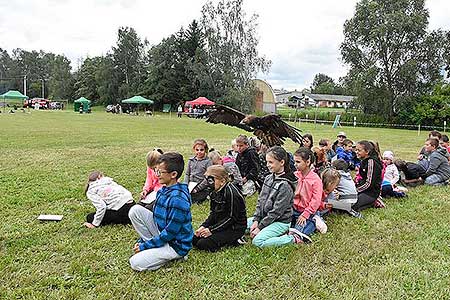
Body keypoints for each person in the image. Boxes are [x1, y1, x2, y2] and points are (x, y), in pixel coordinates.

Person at [129, 152, 193, 271]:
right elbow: (156, 219)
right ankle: (156, 248)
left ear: (173, 174)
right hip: (163, 233)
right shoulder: (163, 190)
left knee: (135, 262)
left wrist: (144, 246)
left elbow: (170, 232)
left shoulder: (178, 200)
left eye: (159, 172)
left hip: (176, 245)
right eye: (155, 171)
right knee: (135, 210)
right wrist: (143, 241)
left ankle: (177, 256)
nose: (156, 175)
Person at [248, 146, 298, 247]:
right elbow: (261, 200)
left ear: (282, 162)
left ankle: (292, 238)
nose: (267, 165)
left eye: (271, 162)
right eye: (267, 162)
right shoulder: (268, 178)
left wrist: (260, 227)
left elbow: (277, 212)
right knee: (239, 225)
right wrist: (256, 220)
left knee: (257, 241)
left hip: (280, 221)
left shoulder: (285, 185)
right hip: (264, 218)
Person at [193, 165, 247, 252]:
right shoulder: (214, 191)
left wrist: (211, 230)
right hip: (220, 224)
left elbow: (231, 218)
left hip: (234, 228)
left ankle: (236, 240)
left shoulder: (231, 193)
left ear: (222, 181)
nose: (208, 183)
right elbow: (213, 213)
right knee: (194, 239)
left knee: (203, 244)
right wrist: (203, 226)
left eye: (211, 180)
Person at [289, 147, 323, 242]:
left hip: (307, 212)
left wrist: (305, 214)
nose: (295, 164)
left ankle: (315, 220)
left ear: (307, 162)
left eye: (298, 162)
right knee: (283, 225)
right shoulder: (295, 175)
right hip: (293, 209)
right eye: (295, 161)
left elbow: (316, 200)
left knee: (299, 231)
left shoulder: (315, 180)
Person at [353, 141, 383, 211]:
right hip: (363, 188)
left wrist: (356, 191)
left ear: (367, 152)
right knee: (347, 201)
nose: (356, 152)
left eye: (359, 150)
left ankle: (374, 202)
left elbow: (369, 184)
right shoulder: (364, 160)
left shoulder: (371, 162)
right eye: (356, 150)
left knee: (352, 205)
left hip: (371, 192)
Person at [184, 139, 213, 203]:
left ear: (205, 150)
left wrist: (197, 189)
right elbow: (187, 174)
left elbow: (208, 178)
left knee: (195, 199)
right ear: (194, 150)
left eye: (201, 150)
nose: (199, 152)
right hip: (190, 185)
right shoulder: (191, 160)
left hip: (201, 187)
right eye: (197, 150)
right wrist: (186, 185)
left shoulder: (208, 162)